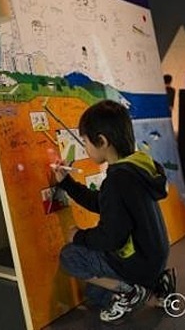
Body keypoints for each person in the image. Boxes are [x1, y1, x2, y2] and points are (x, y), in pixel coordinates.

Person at [52, 100, 176, 323]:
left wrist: (78, 236)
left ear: (102, 141)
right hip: (155, 258)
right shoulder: (138, 167)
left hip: (138, 261)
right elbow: (103, 203)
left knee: (70, 256)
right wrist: (67, 183)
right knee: (96, 296)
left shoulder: (117, 180)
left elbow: (112, 238)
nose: (85, 148)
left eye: (86, 142)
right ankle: (157, 289)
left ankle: (131, 292)